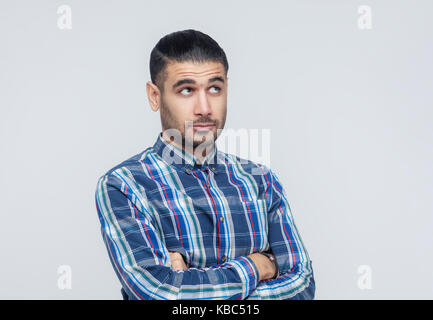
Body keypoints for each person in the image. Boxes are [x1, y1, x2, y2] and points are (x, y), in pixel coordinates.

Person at [95, 29, 315, 300]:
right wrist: (260, 265)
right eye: (186, 90)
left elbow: (303, 288)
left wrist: (191, 286)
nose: (204, 107)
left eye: (214, 88)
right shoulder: (126, 185)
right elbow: (159, 294)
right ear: (155, 96)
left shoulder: (261, 181)